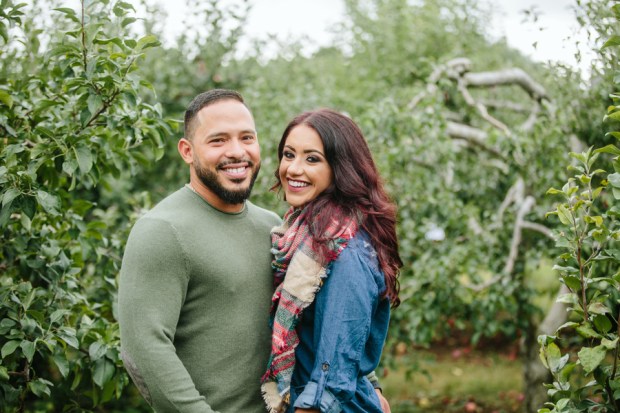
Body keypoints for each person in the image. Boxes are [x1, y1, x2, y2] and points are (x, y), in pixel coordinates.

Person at [118, 89, 391, 412]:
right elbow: (144, 349)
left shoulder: (274, 228)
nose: (237, 152)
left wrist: (369, 383)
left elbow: (319, 318)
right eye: (218, 140)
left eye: (246, 137)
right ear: (187, 151)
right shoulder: (163, 230)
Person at [261, 109, 402, 413]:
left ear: (340, 169)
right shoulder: (307, 234)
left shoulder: (343, 250)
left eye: (312, 159)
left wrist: (310, 407)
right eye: (288, 155)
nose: (293, 169)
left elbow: (335, 364)